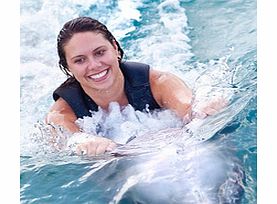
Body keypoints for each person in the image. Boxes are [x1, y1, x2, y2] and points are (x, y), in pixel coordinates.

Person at [46, 16, 226, 156]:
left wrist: (204, 108)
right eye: (80, 60)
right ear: (68, 67)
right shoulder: (62, 113)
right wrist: (82, 142)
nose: (94, 65)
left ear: (115, 48)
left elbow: (189, 107)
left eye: (100, 52)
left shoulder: (159, 83)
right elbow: (66, 139)